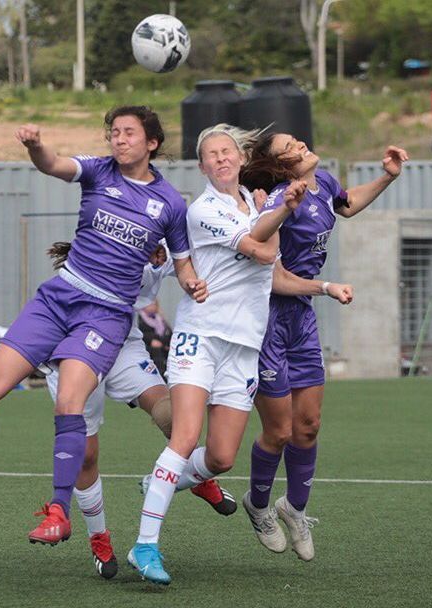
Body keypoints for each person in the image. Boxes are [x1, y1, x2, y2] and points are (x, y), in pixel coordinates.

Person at [0, 106, 206, 549]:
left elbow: (184, 264)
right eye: (114, 132)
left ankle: (58, 512)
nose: (118, 139)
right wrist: (35, 146)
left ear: (151, 143)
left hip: (105, 314)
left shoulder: (169, 203)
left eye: (129, 133)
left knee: (69, 401)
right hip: (60, 296)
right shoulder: (97, 171)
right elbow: (53, 164)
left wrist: (194, 284)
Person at [128, 123, 307, 586]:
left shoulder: (257, 202)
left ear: (241, 158)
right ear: (203, 166)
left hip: (244, 345)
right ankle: (145, 545)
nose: (221, 158)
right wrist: (283, 210)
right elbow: (260, 251)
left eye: (227, 151)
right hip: (201, 336)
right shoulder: (204, 209)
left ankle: (160, 482)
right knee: (185, 437)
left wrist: (322, 284)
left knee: (223, 458)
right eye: (211, 154)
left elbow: (273, 265)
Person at [238, 133, 407, 562]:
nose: (300, 143)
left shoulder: (325, 183)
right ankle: (258, 504)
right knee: (279, 431)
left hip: (302, 320)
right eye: (290, 146)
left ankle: (293, 509)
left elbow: (346, 205)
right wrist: (326, 287)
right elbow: (272, 278)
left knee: (308, 425)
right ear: (281, 167)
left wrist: (387, 177)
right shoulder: (280, 202)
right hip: (269, 321)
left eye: (297, 139)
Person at [41, 240, 235, 581]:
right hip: (72, 357)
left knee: (175, 415)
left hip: (120, 344)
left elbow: (175, 266)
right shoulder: (76, 282)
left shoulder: (143, 256)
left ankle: (193, 475)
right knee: (86, 455)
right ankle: (99, 538)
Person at [137, 298, 171, 376]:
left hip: (162, 346)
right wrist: (151, 341)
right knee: (156, 352)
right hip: (148, 347)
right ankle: (159, 374)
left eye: (154, 304)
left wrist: (168, 344)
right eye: (150, 304)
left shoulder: (159, 318)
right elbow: (142, 333)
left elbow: (168, 332)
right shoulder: (140, 318)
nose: (152, 306)